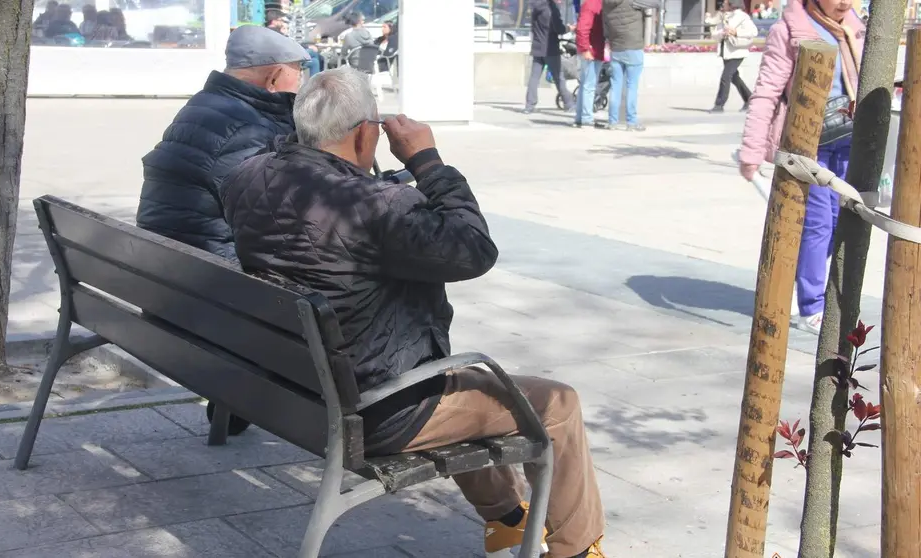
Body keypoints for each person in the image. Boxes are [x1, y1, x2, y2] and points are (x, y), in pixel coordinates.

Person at [222, 67, 608, 558]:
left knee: (465, 381)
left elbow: (329, 219)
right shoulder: (378, 206)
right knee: (557, 404)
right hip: (375, 412)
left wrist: (380, 184)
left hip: (292, 389)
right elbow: (473, 250)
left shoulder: (248, 176)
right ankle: (576, 549)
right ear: (366, 132)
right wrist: (427, 161)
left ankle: (507, 518)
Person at [738, 0, 864, 334]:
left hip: (851, 139)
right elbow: (767, 91)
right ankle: (812, 306)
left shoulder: (857, 26)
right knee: (818, 223)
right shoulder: (790, 30)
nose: (845, 2)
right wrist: (752, 149)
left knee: (844, 222)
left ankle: (801, 280)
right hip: (809, 142)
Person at [138, 25, 307, 262]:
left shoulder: (205, 104)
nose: (301, 82)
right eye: (299, 71)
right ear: (274, 78)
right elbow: (281, 218)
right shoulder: (248, 129)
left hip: (170, 262)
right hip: (215, 273)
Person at [602, 0, 660, 130]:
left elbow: (605, 28)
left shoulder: (605, 3)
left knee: (615, 86)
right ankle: (631, 122)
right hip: (633, 47)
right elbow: (655, 3)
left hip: (616, 48)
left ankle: (612, 121)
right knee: (631, 86)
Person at [525, 0, 574, 113]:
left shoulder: (535, 7)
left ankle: (529, 105)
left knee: (534, 77)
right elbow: (559, 29)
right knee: (558, 77)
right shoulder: (551, 8)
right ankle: (569, 103)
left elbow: (533, 28)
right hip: (550, 47)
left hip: (537, 46)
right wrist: (569, 28)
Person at [710, 0, 756, 113]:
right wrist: (722, 33)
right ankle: (749, 99)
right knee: (734, 78)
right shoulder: (724, 17)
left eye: (725, 3)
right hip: (726, 52)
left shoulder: (742, 17)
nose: (722, 5)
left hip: (737, 52)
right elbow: (715, 34)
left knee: (725, 77)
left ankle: (719, 105)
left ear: (732, 4)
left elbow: (753, 32)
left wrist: (736, 32)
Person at [574, 0, 606, 127]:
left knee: (585, 85)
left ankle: (580, 118)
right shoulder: (592, 4)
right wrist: (585, 49)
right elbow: (582, 29)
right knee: (589, 86)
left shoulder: (593, 4)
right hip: (592, 50)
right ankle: (586, 119)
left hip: (593, 49)